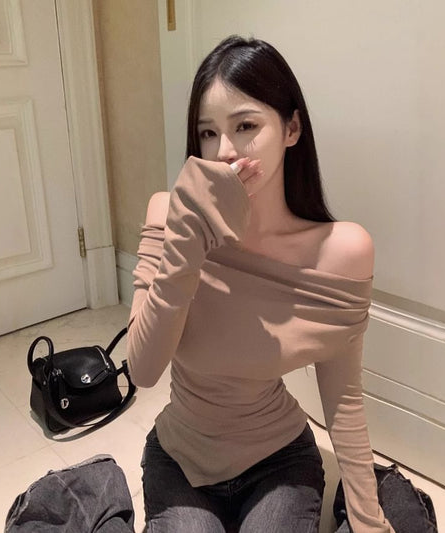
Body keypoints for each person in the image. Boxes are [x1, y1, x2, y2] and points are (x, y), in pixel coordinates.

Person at [126, 35, 394, 533]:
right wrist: (186, 242)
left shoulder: (339, 252)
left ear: (291, 128)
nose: (224, 151)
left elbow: (343, 399)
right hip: (179, 457)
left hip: (279, 459)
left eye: (245, 126)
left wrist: (368, 518)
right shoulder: (168, 214)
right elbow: (142, 369)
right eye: (207, 132)